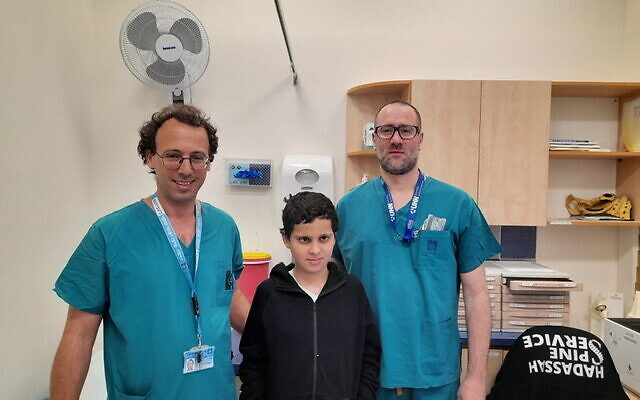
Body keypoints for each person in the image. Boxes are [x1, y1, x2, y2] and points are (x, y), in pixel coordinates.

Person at [50, 104, 250, 400]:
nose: (186, 168)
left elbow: (226, 293)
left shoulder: (224, 228)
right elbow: (78, 334)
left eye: (197, 157)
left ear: (208, 163)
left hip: (216, 391)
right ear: (149, 157)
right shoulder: (110, 234)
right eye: (173, 155)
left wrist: (286, 326)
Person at [334, 100, 502, 400]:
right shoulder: (348, 208)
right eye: (387, 130)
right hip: (368, 373)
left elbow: (477, 294)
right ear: (374, 138)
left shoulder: (457, 204)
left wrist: (476, 377)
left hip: (435, 372)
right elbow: (332, 292)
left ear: (420, 138)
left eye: (406, 130)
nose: (396, 139)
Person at [239, 191, 381, 399]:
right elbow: (254, 362)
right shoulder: (269, 294)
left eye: (324, 238)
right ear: (286, 239)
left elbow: (369, 357)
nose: (315, 250)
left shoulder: (353, 291)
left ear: (335, 237)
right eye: (304, 239)